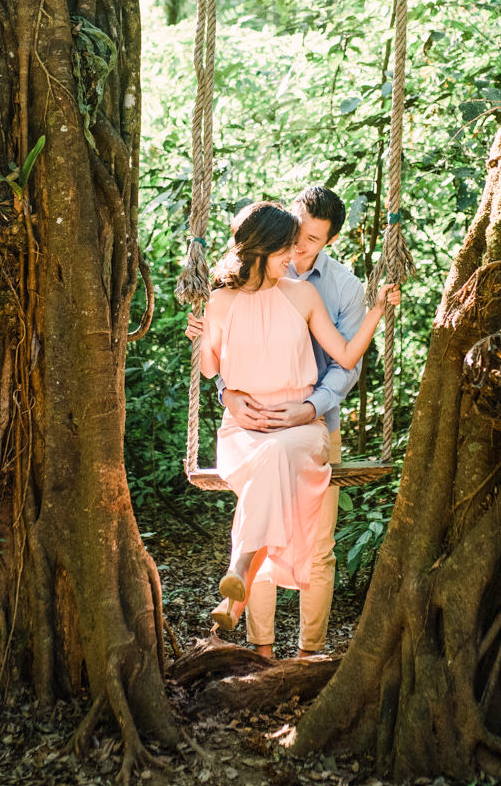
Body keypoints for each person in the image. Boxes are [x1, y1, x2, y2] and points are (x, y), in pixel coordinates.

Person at [186, 201, 397, 634]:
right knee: (268, 455)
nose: (294, 258)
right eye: (286, 249)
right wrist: (204, 334)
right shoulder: (222, 300)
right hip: (244, 431)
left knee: (278, 452)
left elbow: (344, 355)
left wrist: (376, 312)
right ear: (262, 250)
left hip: (303, 428)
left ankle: (239, 572)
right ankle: (240, 589)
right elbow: (210, 370)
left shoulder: (302, 294)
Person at [221, 187, 361, 658]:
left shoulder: (342, 287)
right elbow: (228, 352)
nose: (299, 248)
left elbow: (346, 364)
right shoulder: (250, 279)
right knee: (263, 525)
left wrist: (310, 408)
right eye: (295, 234)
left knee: (318, 545)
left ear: (330, 241)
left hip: (314, 424)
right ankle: (261, 650)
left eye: (313, 240)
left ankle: (309, 653)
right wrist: (228, 393)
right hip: (257, 426)